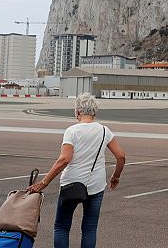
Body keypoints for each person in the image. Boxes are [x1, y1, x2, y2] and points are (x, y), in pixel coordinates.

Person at [27, 93, 126, 248]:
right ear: (94, 112)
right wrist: (116, 176)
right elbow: (121, 156)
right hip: (95, 186)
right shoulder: (105, 131)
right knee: (89, 228)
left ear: (77, 112)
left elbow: (64, 159)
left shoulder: (72, 131)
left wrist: (44, 182)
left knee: (62, 226)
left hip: (71, 185)